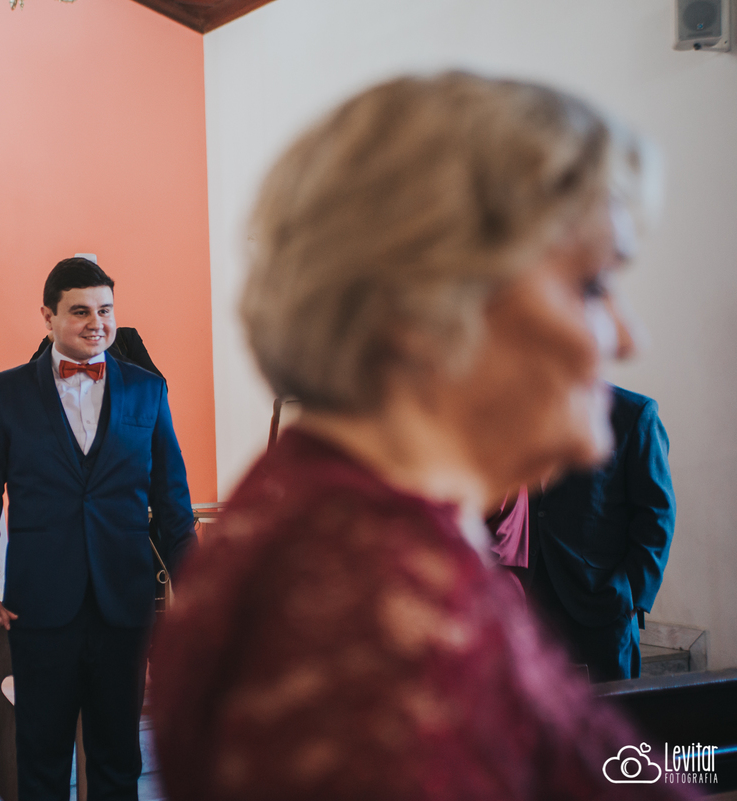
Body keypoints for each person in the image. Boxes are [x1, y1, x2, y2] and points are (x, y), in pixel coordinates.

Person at [150, 73, 694, 800]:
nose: (627, 335)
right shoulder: (358, 602)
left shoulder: (363, 527)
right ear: (431, 311)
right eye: (592, 286)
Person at [0, 258, 196, 801]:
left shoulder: (147, 390)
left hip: (124, 600)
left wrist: (198, 589)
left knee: (120, 758)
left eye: (106, 310)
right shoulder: (6, 392)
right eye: (81, 311)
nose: (97, 323)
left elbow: (174, 504)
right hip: (41, 603)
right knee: (41, 758)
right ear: (48, 316)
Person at [528, 383, 676, 681]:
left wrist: (631, 595)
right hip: (532, 599)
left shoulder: (634, 412)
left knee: (613, 717)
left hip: (602, 601)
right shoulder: (520, 412)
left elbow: (657, 515)